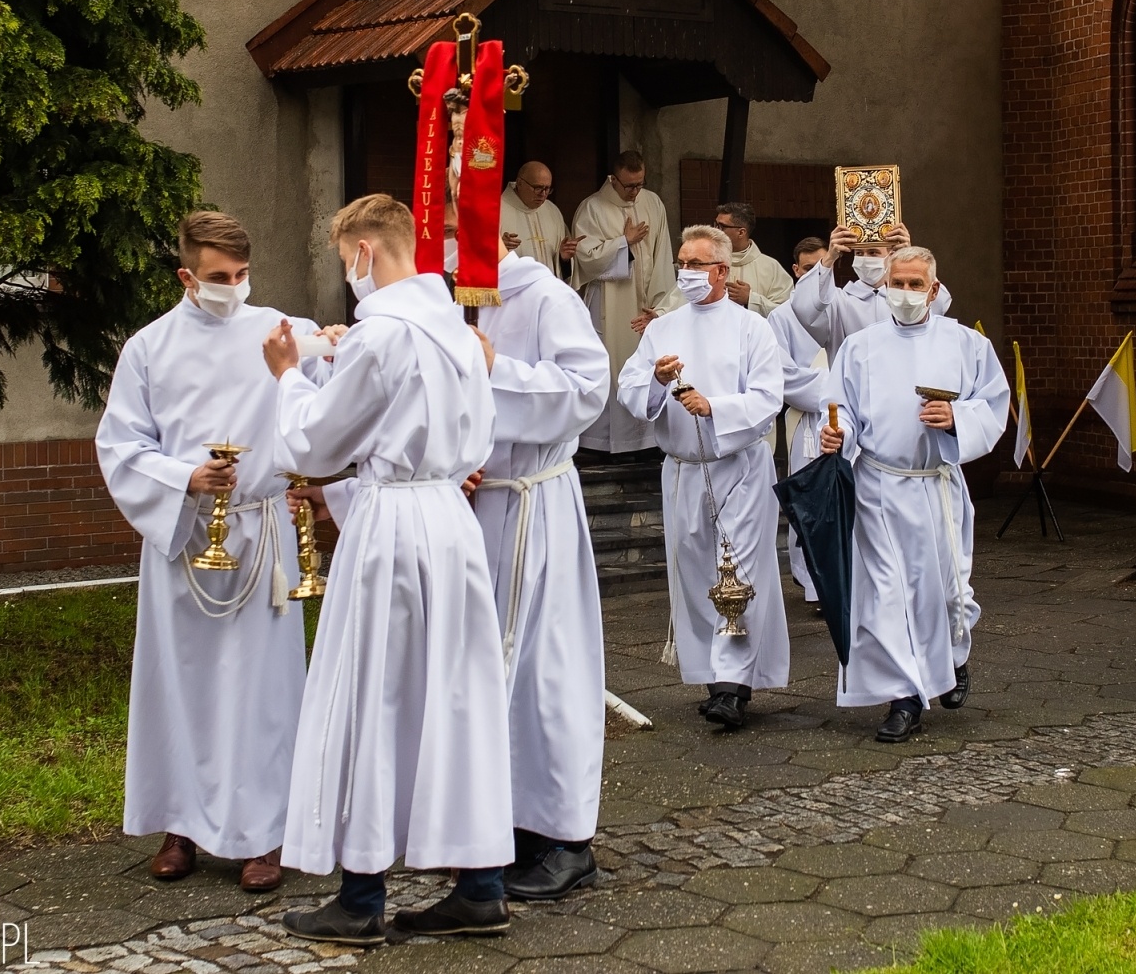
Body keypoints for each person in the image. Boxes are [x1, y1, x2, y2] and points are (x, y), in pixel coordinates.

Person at [270, 194, 513, 944]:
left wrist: (287, 375)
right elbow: (475, 433)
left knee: (370, 693)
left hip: (393, 526)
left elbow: (312, 446)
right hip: (450, 520)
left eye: (349, 262)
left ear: (365, 252)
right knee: (459, 695)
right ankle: (479, 885)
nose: (350, 276)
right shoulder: (462, 330)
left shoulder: (381, 336)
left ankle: (361, 897)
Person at [96, 211, 326, 892]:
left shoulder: (278, 331)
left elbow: (324, 394)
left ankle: (265, 833)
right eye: (219, 277)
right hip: (185, 534)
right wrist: (185, 477)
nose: (233, 287)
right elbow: (119, 445)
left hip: (260, 532)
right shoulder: (149, 348)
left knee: (263, 691)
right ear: (185, 276)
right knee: (182, 682)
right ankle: (181, 823)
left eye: (242, 275)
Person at [819, 246, 1008, 742]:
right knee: (886, 596)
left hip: (937, 485)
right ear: (884, 287)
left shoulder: (966, 344)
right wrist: (836, 434)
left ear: (933, 288)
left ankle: (951, 658)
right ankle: (904, 697)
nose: (904, 293)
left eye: (914, 284)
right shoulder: (859, 347)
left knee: (944, 592)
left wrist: (956, 419)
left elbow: (992, 404)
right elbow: (840, 407)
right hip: (878, 487)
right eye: (896, 283)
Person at [469, 247, 611, 901]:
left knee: (548, 670)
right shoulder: (451, 298)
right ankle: (514, 822)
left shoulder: (547, 297)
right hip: (479, 503)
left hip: (536, 501)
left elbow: (587, 388)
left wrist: (500, 367)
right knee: (490, 676)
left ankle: (569, 838)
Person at [618, 226, 788, 730]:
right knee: (694, 573)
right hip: (683, 471)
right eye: (681, 263)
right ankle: (714, 676)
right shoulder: (662, 329)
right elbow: (630, 386)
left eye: (696, 264)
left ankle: (733, 685)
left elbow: (767, 395)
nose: (686, 273)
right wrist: (656, 379)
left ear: (722, 270)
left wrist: (715, 406)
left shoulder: (752, 327)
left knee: (735, 572)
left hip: (738, 466)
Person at [571, 150, 679, 454]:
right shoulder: (592, 208)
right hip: (608, 303)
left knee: (644, 362)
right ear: (613, 180)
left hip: (644, 302)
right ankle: (603, 443)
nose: (635, 192)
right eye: (629, 186)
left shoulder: (652, 202)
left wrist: (662, 304)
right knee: (609, 365)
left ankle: (644, 440)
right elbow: (585, 258)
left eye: (639, 184)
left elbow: (662, 254)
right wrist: (624, 243)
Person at [771, 237, 833, 604]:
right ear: (796, 271)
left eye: (821, 268)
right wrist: (837, 386)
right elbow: (782, 375)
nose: (814, 276)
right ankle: (813, 586)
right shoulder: (780, 317)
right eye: (808, 270)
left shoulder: (843, 306)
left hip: (850, 420)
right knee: (809, 503)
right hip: (807, 420)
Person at [789, 222, 953, 359]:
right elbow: (804, 308)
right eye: (859, 252)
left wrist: (909, 257)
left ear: (890, 255)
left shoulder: (904, 296)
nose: (865, 258)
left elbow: (938, 303)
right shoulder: (837, 301)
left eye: (873, 252)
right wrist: (829, 258)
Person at [713, 202, 794, 318]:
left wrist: (751, 299)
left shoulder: (770, 267)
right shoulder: (705, 263)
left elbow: (786, 312)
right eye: (715, 224)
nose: (715, 231)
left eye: (721, 226)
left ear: (741, 232)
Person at [500, 161, 578, 280]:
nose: (543, 194)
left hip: (545, 290)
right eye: (537, 188)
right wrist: (499, 247)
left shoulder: (552, 211)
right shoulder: (496, 210)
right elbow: (477, 258)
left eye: (547, 189)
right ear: (519, 183)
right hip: (514, 292)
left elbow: (560, 266)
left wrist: (563, 258)